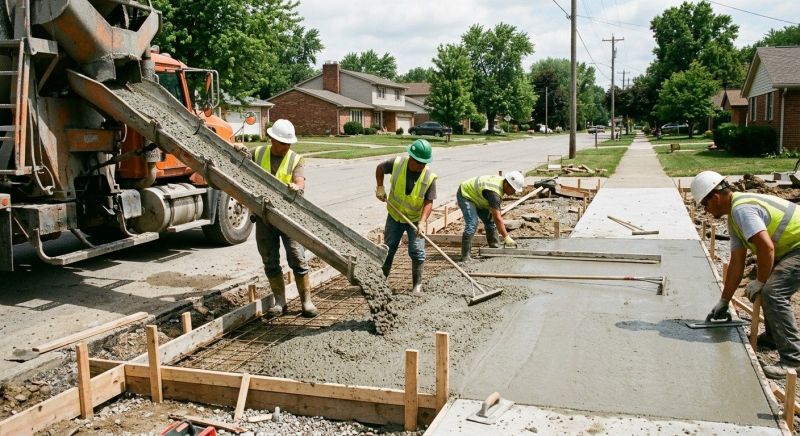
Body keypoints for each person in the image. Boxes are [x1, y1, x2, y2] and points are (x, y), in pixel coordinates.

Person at [692, 170, 800, 379]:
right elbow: (736, 263)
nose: (705, 210)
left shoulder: (742, 210)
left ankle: (793, 360)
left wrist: (760, 281)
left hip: (797, 247)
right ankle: (772, 337)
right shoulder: (733, 218)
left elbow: (766, 248)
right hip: (789, 247)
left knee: (772, 292)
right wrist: (724, 301)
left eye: (704, 205)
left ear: (715, 198)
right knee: (769, 286)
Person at [251, 119, 317, 318]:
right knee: (270, 260)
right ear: (272, 139)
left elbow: (300, 180)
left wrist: (297, 187)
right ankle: (280, 302)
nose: (286, 147)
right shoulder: (258, 153)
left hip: (288, 218)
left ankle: (306, 301)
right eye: (282, 143)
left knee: (297, 257)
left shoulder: (295, 159)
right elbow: (240, 157)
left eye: (288, 143)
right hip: (264, 216)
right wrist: (237, 146)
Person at [374, 139, 437, 293]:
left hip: (415, 219)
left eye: (424, 163)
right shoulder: (397, 163)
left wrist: (423, 222)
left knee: (417, 251)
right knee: (388, 249)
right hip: (395, 215)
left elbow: (429, 202)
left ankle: (417, 286)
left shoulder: (429, 176)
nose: (422, 166)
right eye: (419, 162)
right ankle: (381, 284)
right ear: (411, 157)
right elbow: (379, 168)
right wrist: (380, 187)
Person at [457, 171, 525, 261]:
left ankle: (494, 247)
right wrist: (506, 237)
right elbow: (497, 217)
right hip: (466, 194)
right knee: (472, 223)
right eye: (513, 189)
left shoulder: (501, 185)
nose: (514, 192)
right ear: (507, 185)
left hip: (479, 197)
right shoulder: (494, 193)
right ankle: (465, 257)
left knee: (490, 221)